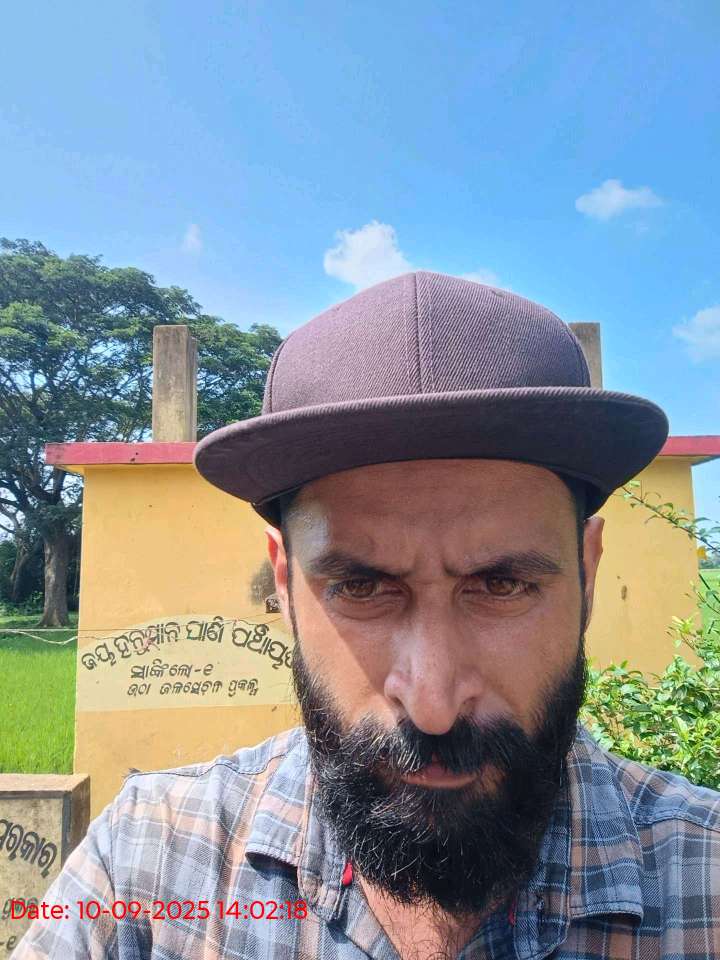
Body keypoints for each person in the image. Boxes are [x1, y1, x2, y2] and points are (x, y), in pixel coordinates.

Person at [13, 272, 719, 960]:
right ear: (285, 582)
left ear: (588, 574)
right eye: (360, 586)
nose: (433, 705)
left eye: (502, 584)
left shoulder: (705, 877)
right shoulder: (145, 866)